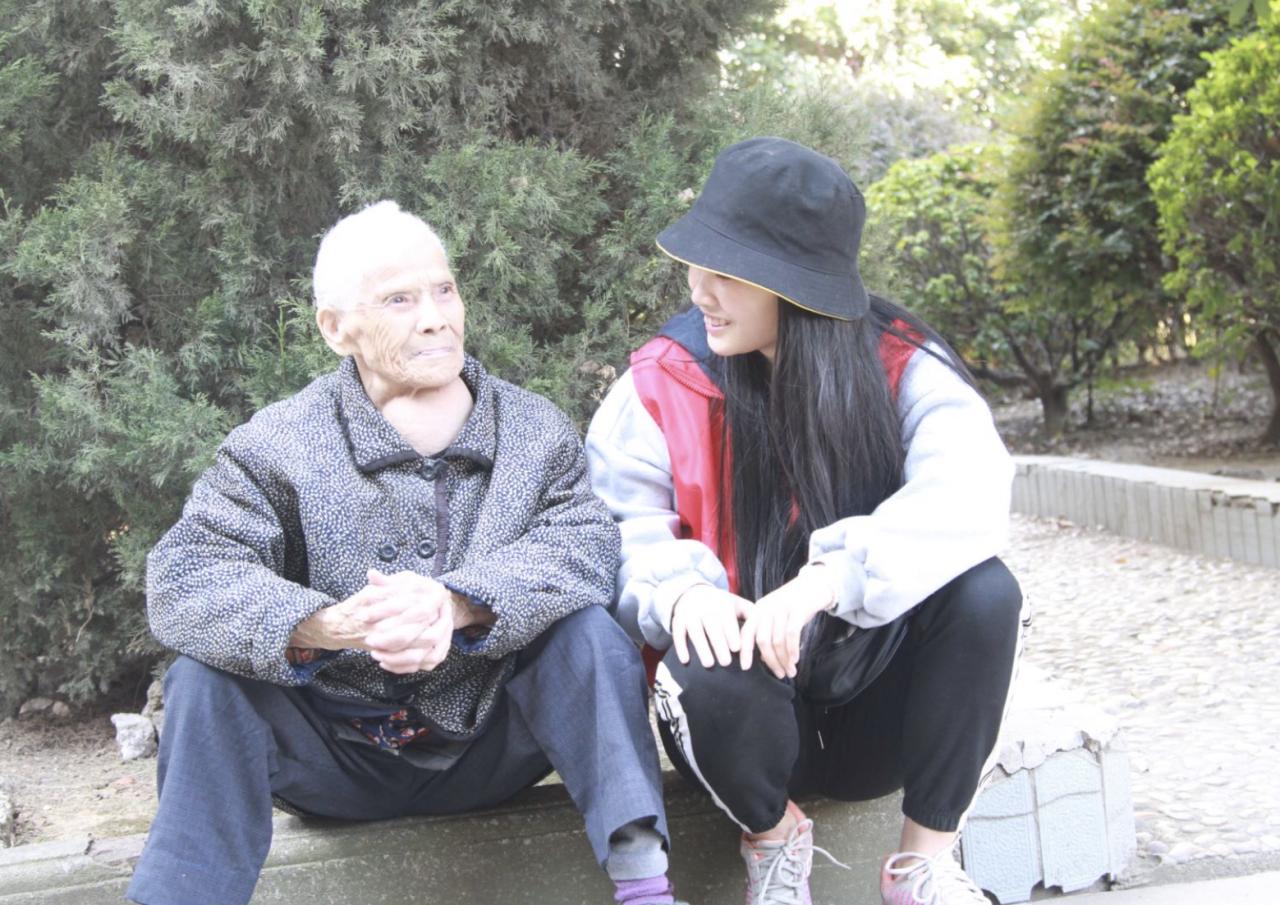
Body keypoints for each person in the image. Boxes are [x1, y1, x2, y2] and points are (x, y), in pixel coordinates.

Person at [126, 201, 684, 905]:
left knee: (589, 636)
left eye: (443, 290)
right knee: (201, 680)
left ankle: (646, 889)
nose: (434, 318)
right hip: (332, 760)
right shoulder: (275, 443)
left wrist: (457, 604)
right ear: (336, 328)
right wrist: (329, 624)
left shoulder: (534, 429)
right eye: (399, 299)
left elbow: (585, 544)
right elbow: (185, 577)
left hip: (489, 745)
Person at [585, 138, 1024, 905]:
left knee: (987, 592)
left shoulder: (902, 364)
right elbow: (614, 524)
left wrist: (831, 577)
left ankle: (922, 867)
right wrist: (683, 592)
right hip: (742, 732)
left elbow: (970, 489)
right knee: (702, 650)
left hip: (875, 705)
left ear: (796, 287)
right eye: (697, 264)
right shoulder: (662, 379)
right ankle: (774, 845)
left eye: (728, 272)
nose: (700, 290)